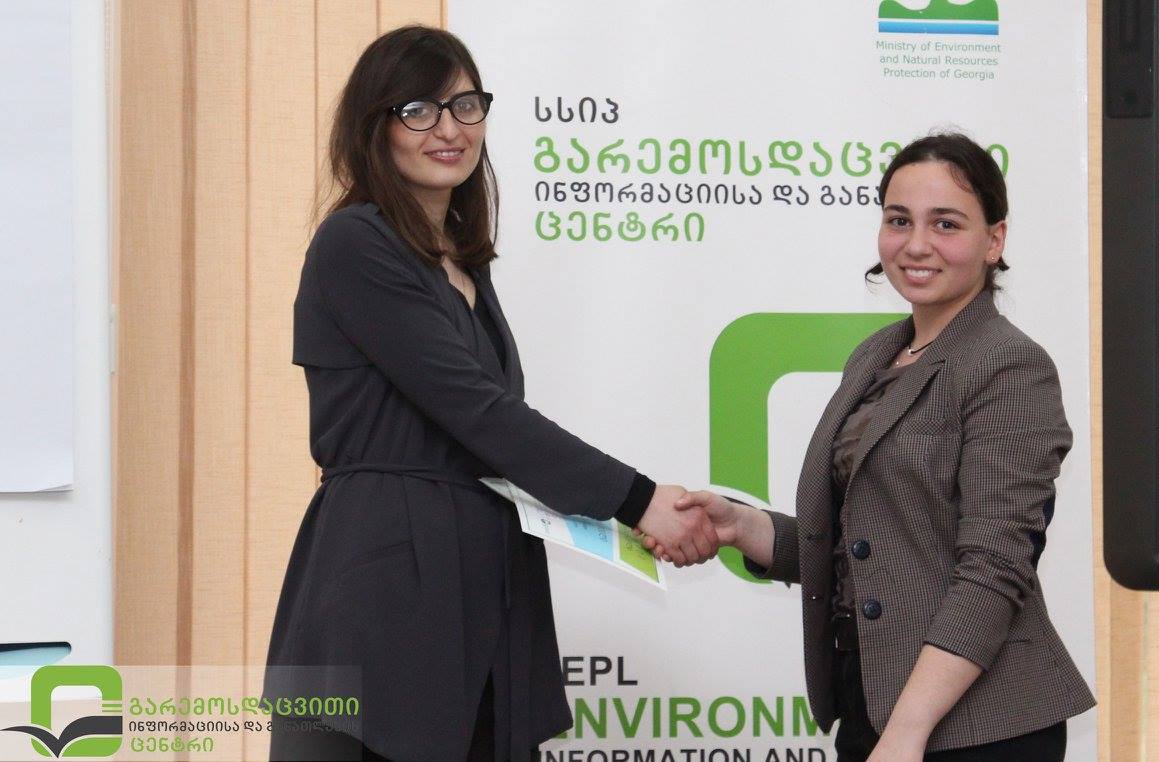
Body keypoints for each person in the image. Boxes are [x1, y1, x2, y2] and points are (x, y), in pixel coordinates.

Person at [263, 26, 718, 762]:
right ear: (375, 128)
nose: (449, 129)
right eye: (419, 110)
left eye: (465, 105)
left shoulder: (462, 262)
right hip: (384, 592)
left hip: (482, 585)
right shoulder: (354, 243)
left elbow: (488, 425)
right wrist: (638, 500)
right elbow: (482, 414)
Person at [659, 134, 1095, 760]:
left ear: (994, 240)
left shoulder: (1008, 365)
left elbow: (994, 569)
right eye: (899, 220)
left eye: (946, 224)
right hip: (871, 704)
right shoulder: (875, 355)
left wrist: (908, 731)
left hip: (977, 726)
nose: (916, 244)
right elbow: (871, 545)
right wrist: (740, 526)